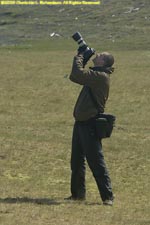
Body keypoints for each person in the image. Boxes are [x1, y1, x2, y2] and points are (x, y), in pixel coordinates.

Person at [65, 51, 115, 206]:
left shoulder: (100, 77)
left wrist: (80, 56)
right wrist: (84, 58)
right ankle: (78, 195)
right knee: (77, 161)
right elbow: (75, 77)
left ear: (103, 62)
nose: (97, 54)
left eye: (100, 55)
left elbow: (77, 73)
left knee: (96, 161)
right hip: (81, 123)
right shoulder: (95, 75)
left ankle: (108, 197)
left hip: (90, 124)